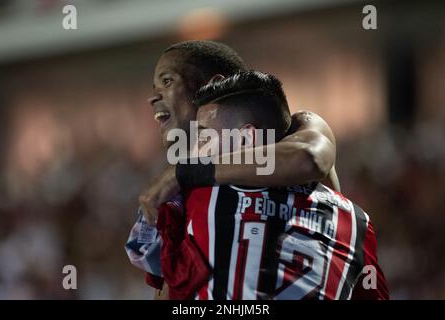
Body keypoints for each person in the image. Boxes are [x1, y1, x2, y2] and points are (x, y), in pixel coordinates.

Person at [146, 71, 390, 299]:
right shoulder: (356, 222)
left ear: (246, 138)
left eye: (204, 135)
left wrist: (183, 174)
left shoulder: (193, 197)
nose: (195, 149)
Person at [126, 40, 339, 299]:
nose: (153, 97)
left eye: (168, 81)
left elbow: (308, 158)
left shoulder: (293, 128)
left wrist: (181, 173)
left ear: (210, 85)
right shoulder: (186, 188)